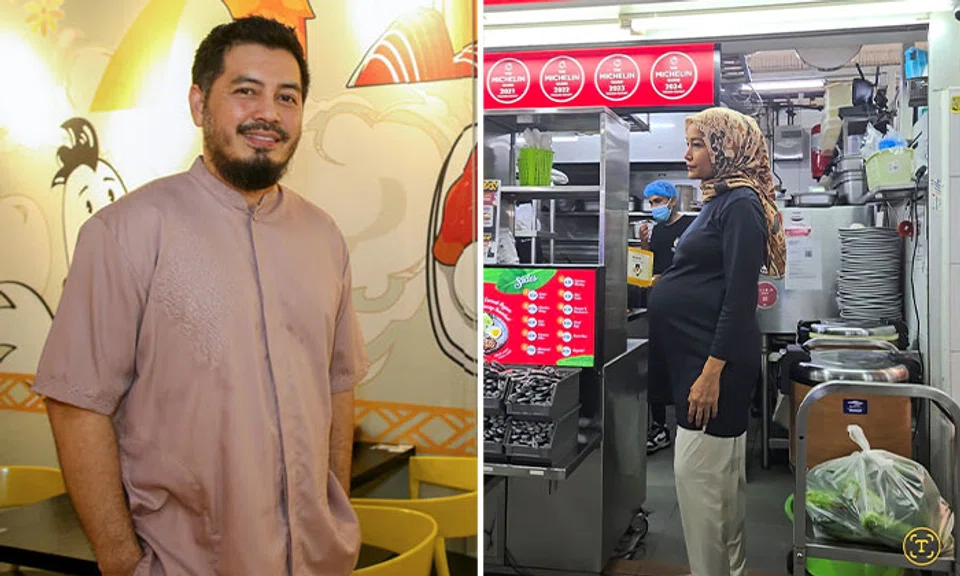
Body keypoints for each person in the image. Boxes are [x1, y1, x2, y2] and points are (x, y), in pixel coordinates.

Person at [32, 16, 369, 576]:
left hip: (317, 562)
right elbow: (76, 404)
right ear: (198, 104)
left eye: (287, 97)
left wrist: (335, 519)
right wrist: (121, 561)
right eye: (246, 91)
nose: (268, 113)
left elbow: (338, 386)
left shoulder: (324, 237)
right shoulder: (125, 233)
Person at [646, 107, 786, 576]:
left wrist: (710, 374)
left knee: (698, 481)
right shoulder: (721, 200)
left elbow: (740, 297)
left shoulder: (740, 205)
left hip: (712, 363)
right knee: (720, 484)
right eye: (688, 144)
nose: (687, 154)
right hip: (702, 356)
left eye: (698, 144)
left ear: (727, 148)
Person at [637, 180, 695, 454]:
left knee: (685, 366)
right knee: (657, 366)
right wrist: (644, 245)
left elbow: (695, 266)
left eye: (658, 201)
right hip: (659, 307)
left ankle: (689, 423)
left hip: (685, 308)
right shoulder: (657, 231)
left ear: (672, 200)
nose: (654, 207)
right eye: (651, 203)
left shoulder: (691, 227)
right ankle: (659, 427)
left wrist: (669, 279)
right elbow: (648, 268)